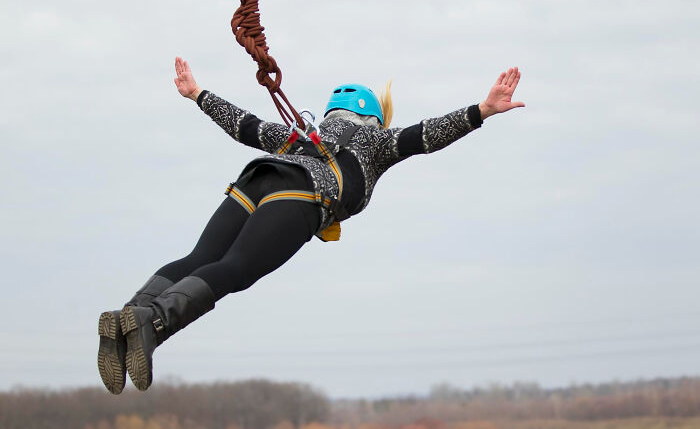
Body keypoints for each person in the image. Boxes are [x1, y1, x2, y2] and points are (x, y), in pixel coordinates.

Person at [97, 57, 525, 394]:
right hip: (301, 195)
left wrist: (198, 94)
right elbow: (425, 136)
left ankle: (127, 319)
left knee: (201, 258)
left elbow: (245, 126)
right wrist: (482, 110)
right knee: (237, 268)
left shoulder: (301, 133)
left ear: (332, 111)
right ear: (375, 118)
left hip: (254, 179)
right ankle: (152, 323)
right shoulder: (376, 143)